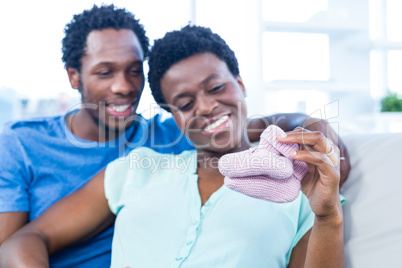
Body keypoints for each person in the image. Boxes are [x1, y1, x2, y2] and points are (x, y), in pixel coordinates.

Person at [1, 25, 346, 268]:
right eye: (184, 103)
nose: (206, 107)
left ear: (240, 84)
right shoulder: (135, 169)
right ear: (173, 118)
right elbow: (24, 241)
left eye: (215, 88)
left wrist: (328, 215)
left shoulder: (298, 183)